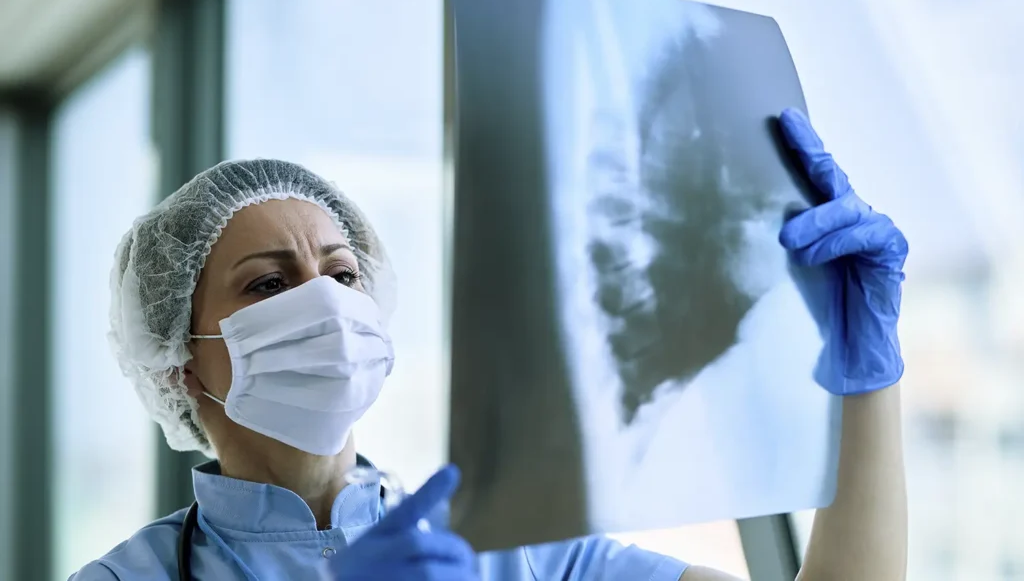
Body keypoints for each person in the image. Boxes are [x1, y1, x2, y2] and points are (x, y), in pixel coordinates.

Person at [71, 108, 908, 581]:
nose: (322, 301)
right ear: (178, 358)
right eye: (267, 283)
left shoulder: (514, 548)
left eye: (342, 272)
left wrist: (865, 375)